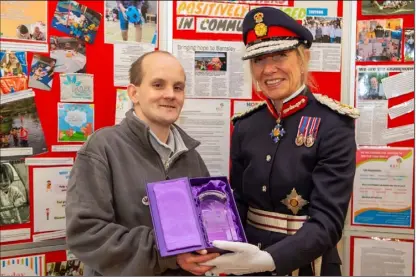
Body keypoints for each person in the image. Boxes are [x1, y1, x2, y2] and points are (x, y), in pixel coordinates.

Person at [202, 7, 359, 276]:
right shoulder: (246, 125)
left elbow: (329, 221)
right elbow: (238, 200)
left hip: (308, 265)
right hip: (247, 262)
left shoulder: (334, 124)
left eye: (280, 56)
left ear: (303, 58)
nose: (269, 69)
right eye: (259, 59)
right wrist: (212, 244)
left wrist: (268, 260)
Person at [65, 51, 219, 276]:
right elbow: (87, 235)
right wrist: (167, 251)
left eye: (178, 87)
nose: (170, 95)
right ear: (134, 93)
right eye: (158, 85)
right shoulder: (102, 148)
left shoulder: (191, 155)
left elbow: (206, 225)